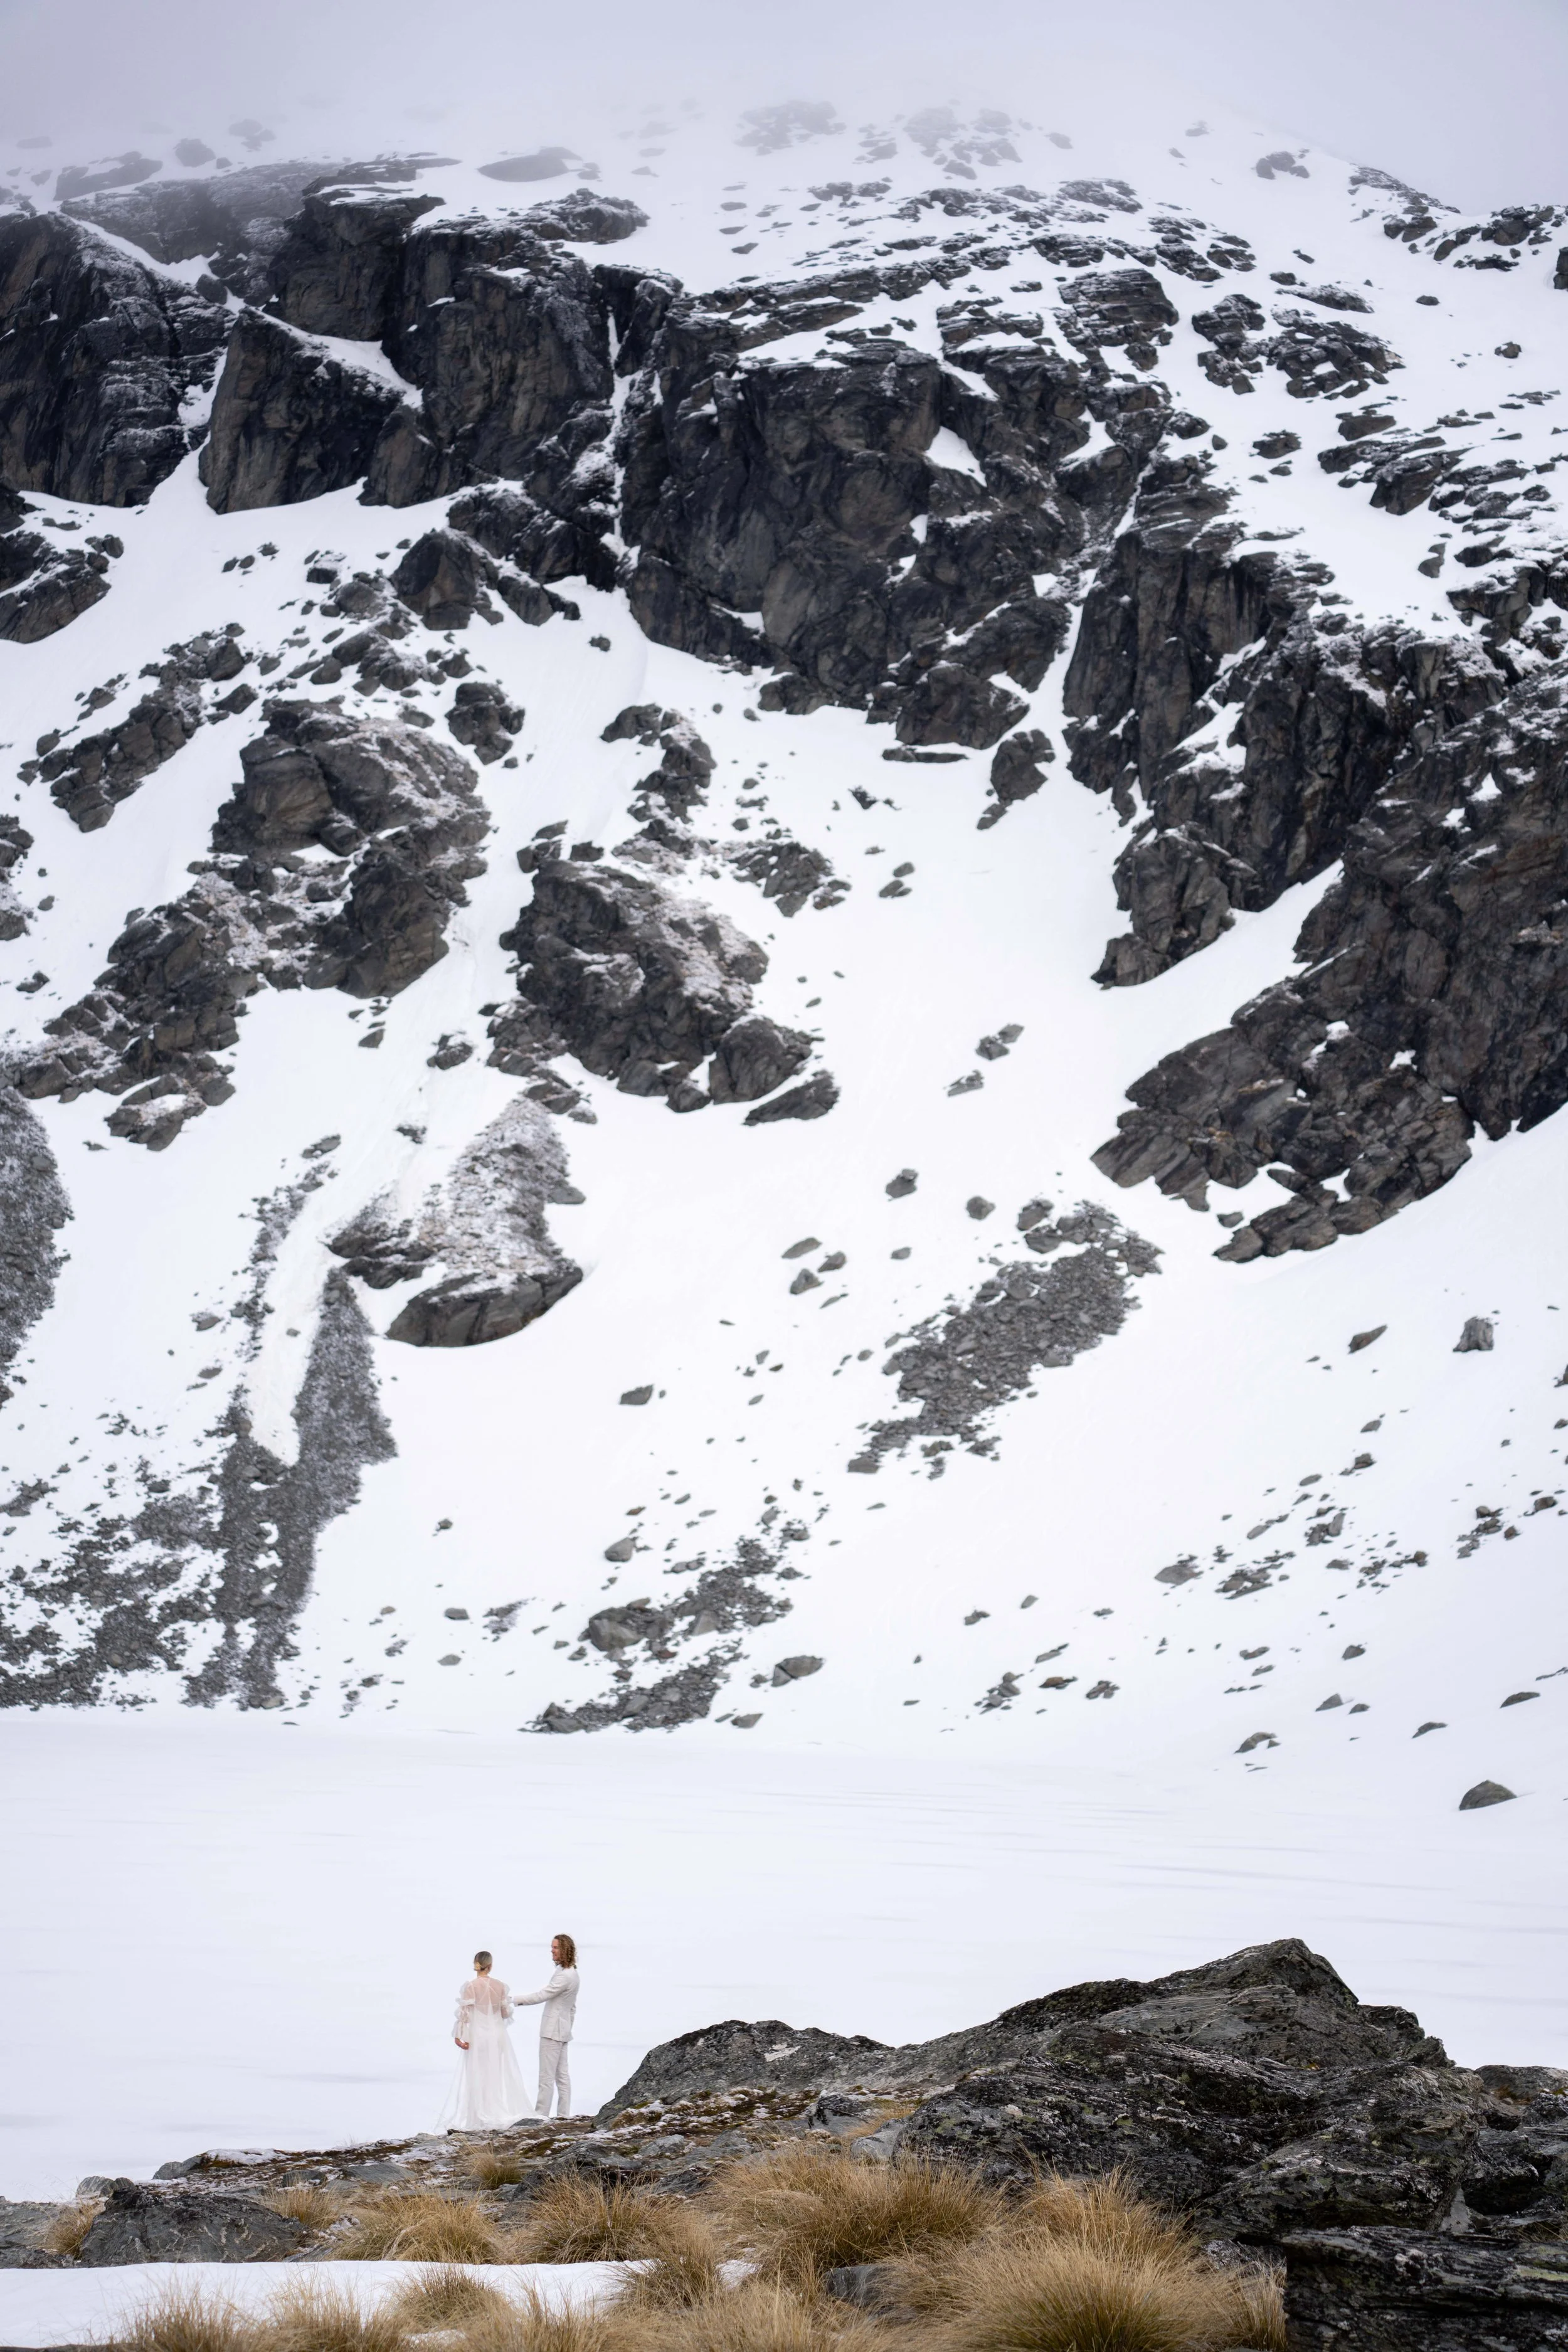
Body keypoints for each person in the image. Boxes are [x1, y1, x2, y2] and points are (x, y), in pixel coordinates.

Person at [437, 1949, 529, 2131]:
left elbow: (464, 2015)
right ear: (491, 1966)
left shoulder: (470, 1987)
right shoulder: (501, 1986)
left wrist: (459, 2036)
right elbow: (504, 2013)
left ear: (476, 1965)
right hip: (498, 2035)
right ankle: (496, 2109)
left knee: (478, 2073)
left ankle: (480, 2114)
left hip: (479, 2035)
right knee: (496, 2072)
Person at [512, 1934, 580, 2118]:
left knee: (547, 2077)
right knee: (562, 2076)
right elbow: (572, 2008)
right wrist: (568, 2027)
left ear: (565, 1950)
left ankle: (541, 2115)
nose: (552, 1950)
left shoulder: (565, 1976)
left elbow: (542, 1996)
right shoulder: (570, 1972)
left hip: (553, 2031)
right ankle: (563, 2115)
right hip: (563, 2030)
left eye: (556, 1947)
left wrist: (513, 2000)